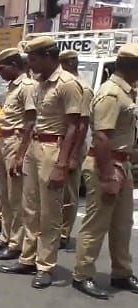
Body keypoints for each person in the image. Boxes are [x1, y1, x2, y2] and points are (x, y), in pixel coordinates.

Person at [0, 36, 83, 289]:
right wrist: (22, 153)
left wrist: (62, 164)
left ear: (48, 56)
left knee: (49, 213)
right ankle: (27, 258)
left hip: (52, 149)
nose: (30, 64)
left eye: (33, 59)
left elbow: (74, 126)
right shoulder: (38, 84)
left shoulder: (67, 84)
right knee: (30, 207)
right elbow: (31, 122)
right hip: (34, 146)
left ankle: (45, 265)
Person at [71, 44, 138, 299]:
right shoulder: (111, 93)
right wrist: (109, 175)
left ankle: (121, 272)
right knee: (97, 224)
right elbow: (101, 137)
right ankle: (83, 274)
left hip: (122, 164)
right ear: (132, 66)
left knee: (122, 223)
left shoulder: (128, 92)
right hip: (105, 165)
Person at [0, 48, 36, 261]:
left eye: (1, 68)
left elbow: (30, 122)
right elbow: (5, 118)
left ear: (14, 64)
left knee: (16, 197)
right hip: (4, 140)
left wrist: (21, 155)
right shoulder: (12, 87)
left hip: (17, 142)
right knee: (4, 194)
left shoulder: (27, 87)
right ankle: (5, 237)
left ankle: (16, 243)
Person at [58, 50, 93, 250]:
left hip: (73, 146)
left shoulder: (83, 88)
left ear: (69, 64)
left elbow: (82, 125)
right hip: (57, 143)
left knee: (69, 194)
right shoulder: (62, 86)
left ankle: (64, 232)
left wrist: (72, 155)